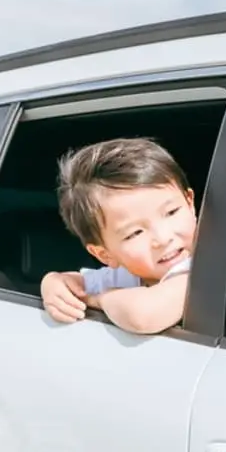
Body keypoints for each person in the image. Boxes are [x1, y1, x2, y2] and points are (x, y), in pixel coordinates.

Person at [40, 137, 197, 334]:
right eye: (135, 233)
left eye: (171, 212)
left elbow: (143, 316)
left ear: (190, 203)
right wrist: (52, 282)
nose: (163, 238)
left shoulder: (200, 270)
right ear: (105, 255)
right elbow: (74, 282)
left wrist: (99, 299)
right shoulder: (129, 274)